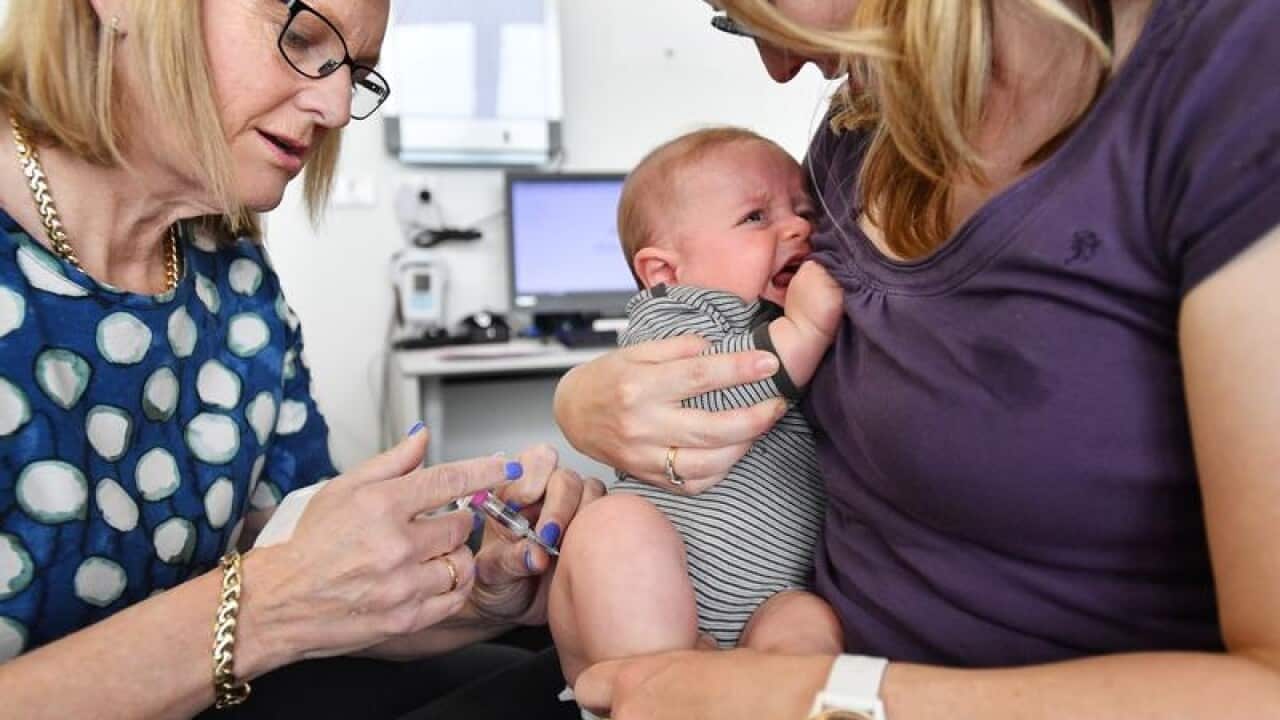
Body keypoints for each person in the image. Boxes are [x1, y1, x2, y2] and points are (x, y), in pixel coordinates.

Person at [555, 0, 1280, 717]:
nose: (778, 68)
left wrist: (825, 699)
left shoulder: (1231, 74)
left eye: (753, 9)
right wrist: (583, 402)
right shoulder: (857, 138)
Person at [0, 2, 601, 718]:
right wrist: (268, 603)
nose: (339, 106)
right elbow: (280, 597)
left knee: (549, 671)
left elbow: (308, 575)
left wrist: (481, 591)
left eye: (358, 72)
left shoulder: (234, 277)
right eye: (301, 37)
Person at [548, 127, 845, 688]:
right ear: (665, 271)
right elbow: (707, 391)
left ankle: (765, 694)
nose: (798, 227)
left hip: (769, 597)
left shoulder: (775, 320)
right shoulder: (678, 314)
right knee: (611, 526)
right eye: (755, 217)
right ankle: (657, 688)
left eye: (804, 211)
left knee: (808, 622)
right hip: (659, 590)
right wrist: (805, 330)